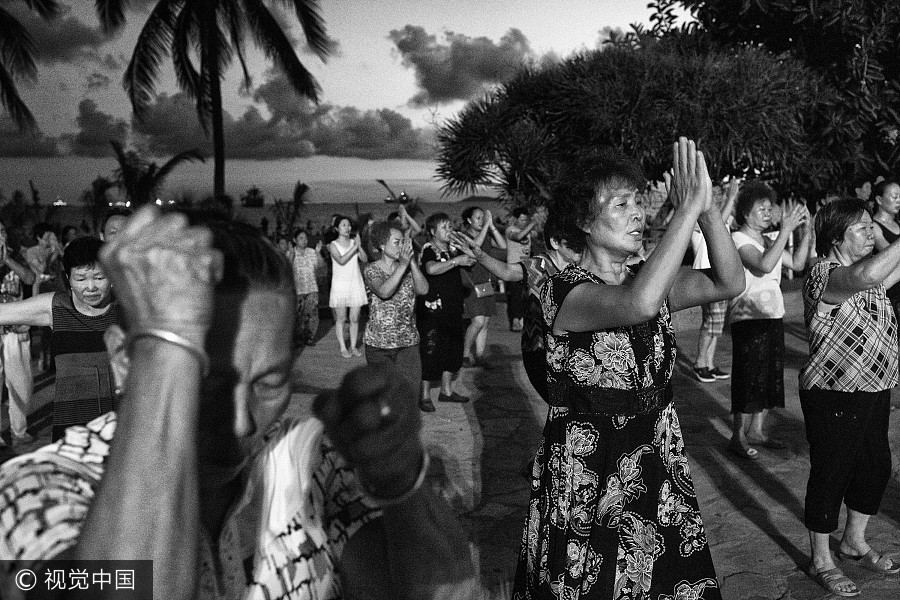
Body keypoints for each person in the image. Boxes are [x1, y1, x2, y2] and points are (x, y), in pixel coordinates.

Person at [0, 208, 476, 600]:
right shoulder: (36, 488)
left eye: (269, 382)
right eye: (205, 383)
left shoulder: (306, 463)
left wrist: (400, 480)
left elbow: (436, 590)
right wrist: (169, 340)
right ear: (126, 360)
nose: (243, 420)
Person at [512, 138, 744, 599]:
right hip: (591, 471)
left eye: (639, 202)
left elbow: (728, 281)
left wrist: (707, 211)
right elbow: (636, 306)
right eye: (622, 204)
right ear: (583, 221)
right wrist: (683, 210)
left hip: (655, 456)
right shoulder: (564, 291)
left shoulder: (648, 281)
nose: (638, 213)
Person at [799, 198, 900, 597]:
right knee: (832, 471)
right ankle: (820, 558)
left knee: (876, 466)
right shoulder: (824, 274)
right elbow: (865, 275)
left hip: (874, 387)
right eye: (862, 227)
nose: (871, 232)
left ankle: (854, 541)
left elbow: (882, 273)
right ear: (835, 236)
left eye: (872, 225)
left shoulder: (867, 278)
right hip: (833, 392)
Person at [451, 210, 581, 401]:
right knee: (558, 402)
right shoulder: (539, 265)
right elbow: (507, 272)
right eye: (574, 246)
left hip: (570, 348)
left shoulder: (577, 267)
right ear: (555, 242)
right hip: (539, 349)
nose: (579, 250)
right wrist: (480, 255)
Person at [0, 237, 119, 440]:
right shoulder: (56, 308)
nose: (91, 287)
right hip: (70, 431)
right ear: (68, 278)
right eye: (81, 279)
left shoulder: (127, 310)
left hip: (120, 429)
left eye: (99, 277)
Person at [727, 182, 812, 459]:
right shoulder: (739, 239)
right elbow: (763, 265)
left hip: (773, 313)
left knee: (768, 375)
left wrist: (806, 231)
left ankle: (757, 430)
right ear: (744, 213)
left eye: (768, 208)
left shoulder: (767, 239)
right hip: (748, 315)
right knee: (747, 375)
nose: (767, 213)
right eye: (760, 209)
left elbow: (797, 264)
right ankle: (738, 434)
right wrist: (785, 230)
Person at [363, 221, 429, 400]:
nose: (401, 246)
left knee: (409, 396)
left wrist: (412, 264)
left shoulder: (408, 270)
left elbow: (423, 289)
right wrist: (402, 266)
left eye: (403, 242)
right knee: (383, 398)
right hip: (379, 345)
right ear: (382, 246)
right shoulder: (372, 269)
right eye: (396, 242)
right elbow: (384, 291)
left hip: (408, 343)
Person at [417, 212, 476, 410]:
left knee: (453, 348)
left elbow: (473, 260)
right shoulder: (429, 249)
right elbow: (431, 269)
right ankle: (424, 394)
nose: (449, 230)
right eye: (444, 227)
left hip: (453, 306)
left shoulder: (453, 249)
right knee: (431, 349)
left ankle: (446, 390)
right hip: (433, 309)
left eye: (450, 227)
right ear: (433, 232)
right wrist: (456, 261)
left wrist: (465, 248)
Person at [691, 178, 739, 382]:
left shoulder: (719, 219)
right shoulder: (698, 220)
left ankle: (709, 363)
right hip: (706, 273)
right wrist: (731, 196)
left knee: (716, 324)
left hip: (719, 273)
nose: (717, 198)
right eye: (715, 194)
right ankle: (700, 363)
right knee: (711, 322)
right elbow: (717, 222)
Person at [0, 220, 35, 449]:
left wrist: (6, 260)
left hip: (16, 330)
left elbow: (29, 279)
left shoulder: (17, 257)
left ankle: (19, 430)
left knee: (21, 383)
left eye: (2, 231)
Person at [459, 206, 506, 368]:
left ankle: (479, 355)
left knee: (485, 322)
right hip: (472, 284)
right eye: (478, 218)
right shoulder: (464, 236)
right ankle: (465, 354)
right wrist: (486, 227)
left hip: (487, 283)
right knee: (477, 321)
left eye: (482, 217)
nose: (481, 221)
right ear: (469, 220)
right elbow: (474, 247)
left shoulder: (486, 235)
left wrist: (491, 226)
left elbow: (502, 246)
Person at [328, 215, 368, 358]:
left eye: (349, 225)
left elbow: (364, 259)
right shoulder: (332, 245)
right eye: (344, 225)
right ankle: (343, 347)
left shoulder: (353, 242)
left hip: (355, 282)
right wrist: (355, 247)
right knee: (341, 318)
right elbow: (341, 260)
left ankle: (353, 346)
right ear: (337, 228)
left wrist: (359, 246)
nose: (347, 227)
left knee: (355, 318)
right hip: (340, 284)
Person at [286, 228, 325, 347]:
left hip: (311, 287)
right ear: (295, 240)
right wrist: (291, 255)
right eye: (301, 238)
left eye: (305, 238)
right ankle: (297, 338)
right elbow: (286, 268)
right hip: (297, 289)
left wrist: (318, 253)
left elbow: (321, 266)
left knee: (312, 313)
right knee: (298, 315)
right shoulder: (291, 253)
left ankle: (309, 337)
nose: (304, 241)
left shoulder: (311, 252)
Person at [869, 179, 900, 318]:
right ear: (879, 199)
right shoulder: (873, 226)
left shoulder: (898, 223)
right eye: (894, 196)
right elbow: (888, 252)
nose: (898, 200)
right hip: (887, 295)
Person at [505, 207, 536, 331]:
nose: (524, 222)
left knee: (526, 295)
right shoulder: (510, 230)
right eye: (521, 220)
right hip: (513, 266)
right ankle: (515, 320)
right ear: (515, 219)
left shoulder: (528, 231)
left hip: (526, 266)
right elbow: (518, 237)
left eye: (525, 220)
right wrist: (533, 224)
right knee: (515, 295)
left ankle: (524, 320)